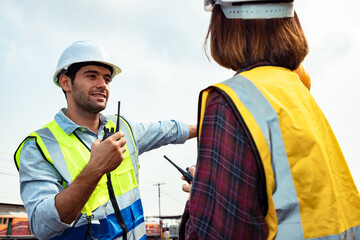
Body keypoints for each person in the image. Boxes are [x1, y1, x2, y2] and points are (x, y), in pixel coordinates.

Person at [179, 0, 360, 239]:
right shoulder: (296, 90)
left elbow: (217, 233)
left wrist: (203, 195)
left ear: (226, 18)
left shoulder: (230, 101)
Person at [14, 40, 197, 240]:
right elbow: (43, 225)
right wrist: (96, 168)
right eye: (91, 76)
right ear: (66, 82)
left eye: (107, 79)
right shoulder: (38, 146)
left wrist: (206, 128)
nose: (102, 85)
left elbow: (167, 130)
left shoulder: (123, 127)